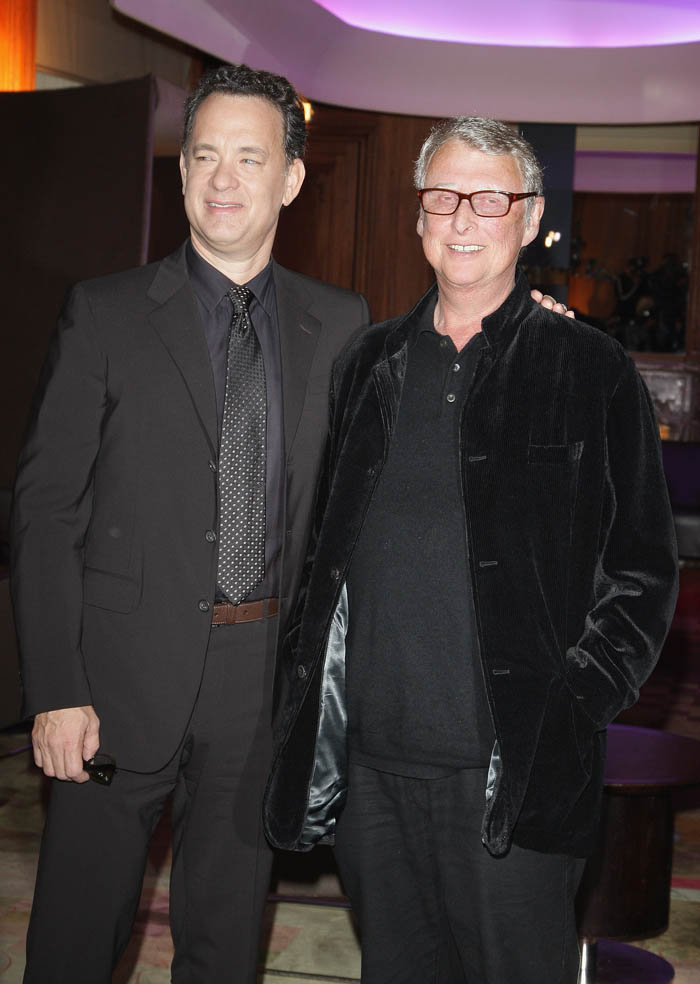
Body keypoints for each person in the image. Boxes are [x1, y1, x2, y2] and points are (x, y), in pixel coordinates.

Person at [263, 117, 679, 983]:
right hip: (372, 771)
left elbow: (642, 576)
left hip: (516, 777)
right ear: (418, 220)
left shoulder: (592, 370)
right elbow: (321, 560)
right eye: (443, 197)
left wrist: (571, 709)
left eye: (490, 199)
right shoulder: (367, 365)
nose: (462, 217)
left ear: (528, 222)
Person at [10, 63, 370, 983]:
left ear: (291, 178)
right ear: (180, 173)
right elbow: (46, 511)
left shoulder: (342, 326)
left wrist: (528, 335)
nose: (222, 178)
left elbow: (373, 488)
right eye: (204, 154)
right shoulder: (106, 314)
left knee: (224, 937)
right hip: (110, 683)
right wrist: (53, 688)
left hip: (261, 682)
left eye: (250, 158)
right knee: (77, 933)